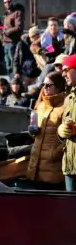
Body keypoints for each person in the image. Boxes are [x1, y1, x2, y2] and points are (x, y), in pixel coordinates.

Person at [25, 71, 66, 190]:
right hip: (36, 167)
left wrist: (54, 153)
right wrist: (33, 132)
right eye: (44, 85)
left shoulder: (66, 106)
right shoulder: (41, 106)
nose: (45, 88)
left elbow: (70, 138)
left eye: (49, 85)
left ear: (58, 86)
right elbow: (38, 135)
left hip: (54, 168)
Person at [58, 54, 76, 192]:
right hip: (70, 166)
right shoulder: (68, 99)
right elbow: (64, 125)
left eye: (66, 70)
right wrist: (60, 131)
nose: (63, 74)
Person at [1, 0, 25, 76]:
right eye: (5, 2)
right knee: (8, 66)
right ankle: (11, 84)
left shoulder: (17, 13)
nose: (7, 3)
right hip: (5, 43)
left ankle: (14, 85)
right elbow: (7, 27)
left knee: (14, 65)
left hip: (13, 43)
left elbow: (18, 27)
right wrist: (2, 30)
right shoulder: (7, 13)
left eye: (8, 1)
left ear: (12, 2)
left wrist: (7, 31)